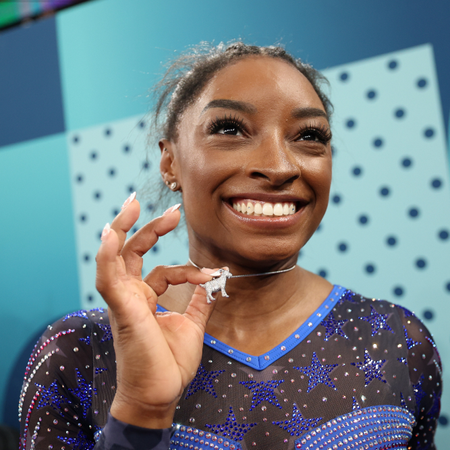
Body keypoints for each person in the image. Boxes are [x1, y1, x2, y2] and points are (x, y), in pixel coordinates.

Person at [19, 42, 442, 450]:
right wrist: (142, 412)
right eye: (229, 129)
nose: (278, 166)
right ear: (170, 162)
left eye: (309, 135)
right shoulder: (78, 352)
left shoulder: (400, 340)